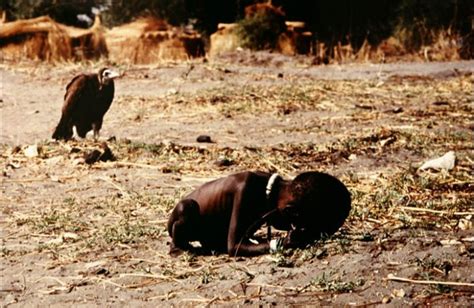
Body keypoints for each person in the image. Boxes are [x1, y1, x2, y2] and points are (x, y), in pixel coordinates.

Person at [167, 170, 351, 256]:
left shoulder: (273, 192)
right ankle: (178, 245)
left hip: (215, 233)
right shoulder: (247, 188)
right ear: (290, 211)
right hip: (190, 221)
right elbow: (235, 247)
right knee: (186, 209)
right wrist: (278, 245)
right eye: (294, 223)